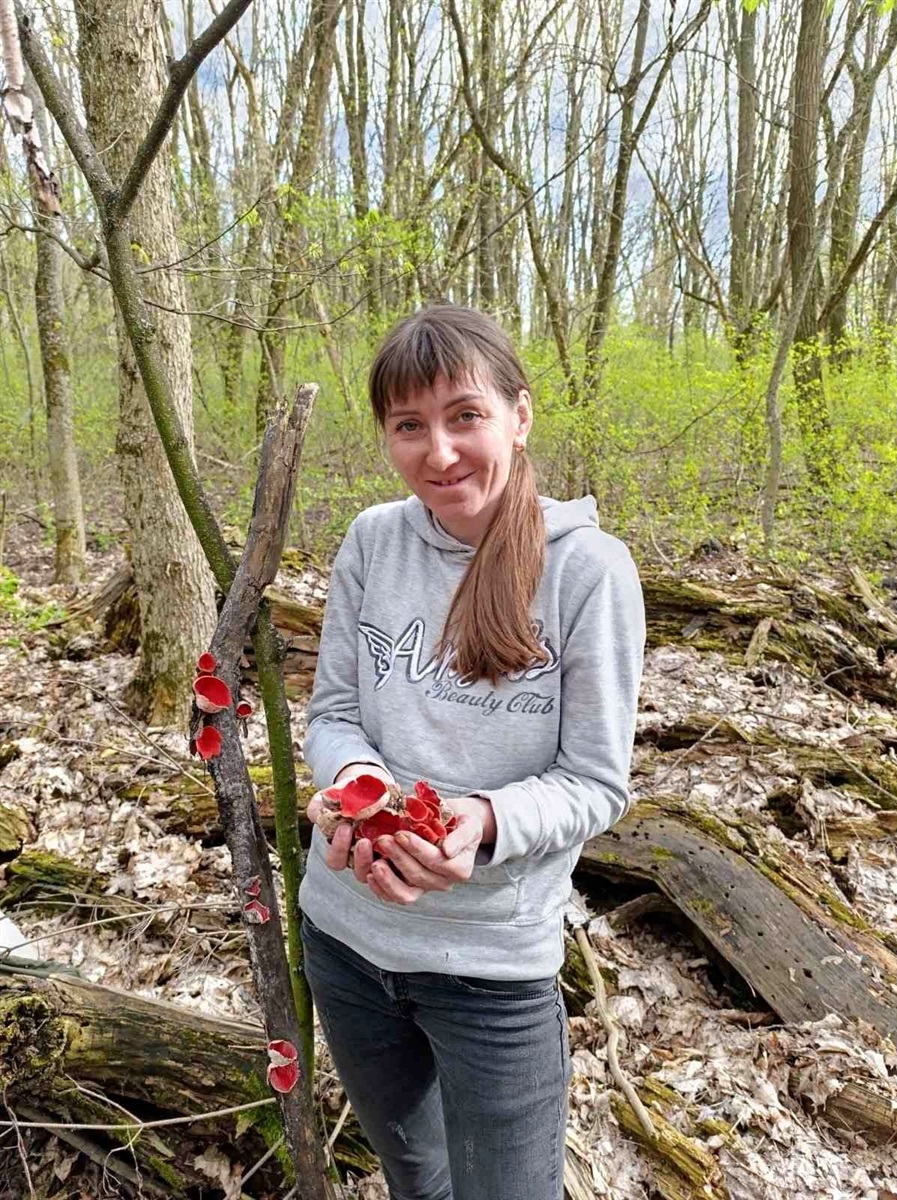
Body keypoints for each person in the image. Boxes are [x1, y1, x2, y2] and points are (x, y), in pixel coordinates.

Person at [300, 304, 645, 1200]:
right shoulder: (373, 542)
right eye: (408, 426)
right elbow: (334, 714)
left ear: (518, 416)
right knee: (416, 1175)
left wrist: (485, 821)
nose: (439, 453)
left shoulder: (587, 572)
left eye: (465, 416)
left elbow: (596, 782)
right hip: (345, 935)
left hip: (490, 965)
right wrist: (354, 792)